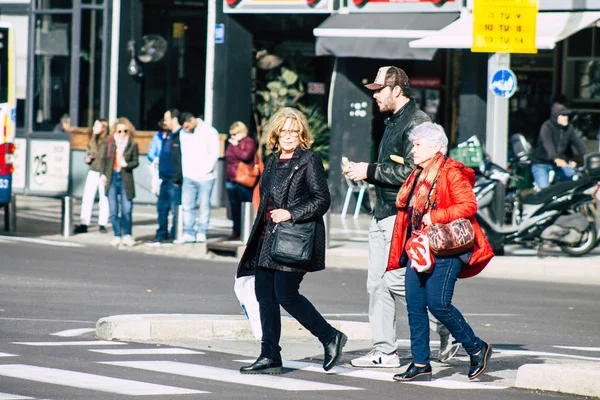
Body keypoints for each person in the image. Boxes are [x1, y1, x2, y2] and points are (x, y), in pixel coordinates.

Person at [345, 66, 459, 368]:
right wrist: (368, 172)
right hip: (383, 211)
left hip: (402, 215)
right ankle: (385, 350)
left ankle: (447, 325)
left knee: (395, 280)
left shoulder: (417, 121)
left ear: (397, 90)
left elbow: (413, 170)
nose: (375, 96)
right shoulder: (394, 120)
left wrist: (367, 171)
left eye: (379, 90)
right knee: (377, 284)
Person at [237, 107, 346, 374]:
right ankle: (270, 355)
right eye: (284, 131)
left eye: (293, 131)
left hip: (293, 239)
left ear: (301, 134)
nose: (288, 136)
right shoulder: (272, 161)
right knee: (265, 296)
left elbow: (322, 200)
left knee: (286, 294)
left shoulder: (309, 159)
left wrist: (291, 213)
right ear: (275, 133)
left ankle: (330, 336)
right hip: (267, 238)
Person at [388, 122, 494, 382]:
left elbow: (468, 205)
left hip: (447, 247)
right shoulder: (417, 174)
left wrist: (435, 216)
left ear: (435, 146)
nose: (413, 150)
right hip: (420, 246)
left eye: (417, 144)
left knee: (438, 303)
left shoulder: (450, 172)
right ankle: (421, 362)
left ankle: (476, 347)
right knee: (414, 305)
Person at [174, 112, 220, 244]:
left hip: (206, 177)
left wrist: (206, 170)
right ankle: (188, 232)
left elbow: (214, 153)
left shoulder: (210, 131)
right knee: (187, 206)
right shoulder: (183, 133)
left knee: (204, 205)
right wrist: (186, 172)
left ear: (192, 120)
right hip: (189, 175)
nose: (186, 129)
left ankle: (201, 232)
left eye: (187, 126)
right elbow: (184, 154)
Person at [99, 118, 139, 247]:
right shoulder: (109, 143)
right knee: (113, 209)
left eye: (125, 131)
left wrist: (126, 164)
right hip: (112, 177)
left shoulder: (132, 144)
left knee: (127, 208)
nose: (122, 134)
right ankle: (117, 235)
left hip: (125, 178)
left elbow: (136, 161)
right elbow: (102, 160)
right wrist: (102, 174)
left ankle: (127, 235)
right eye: (119, 131)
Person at [530, 103, 588, 189]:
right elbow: (548, 144)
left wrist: (587, 157)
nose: (566, 118)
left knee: (576, 177)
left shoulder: (569, 128)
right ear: (555, 116)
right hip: (541, 164)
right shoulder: (546, 127)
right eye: (563, 115)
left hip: (558, 164)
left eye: (567, 115)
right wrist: (555, 158)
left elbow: (577, 143)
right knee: (545, 191)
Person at [148, 109, 183, 245]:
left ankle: (174, 234)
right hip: (164, 177)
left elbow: (181, 158)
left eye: (166, 119)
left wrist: (177, 177)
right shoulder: (167, 135)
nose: (164, 122)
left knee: (175, 208)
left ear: (174, 120)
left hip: (174, 179)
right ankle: (161, 233)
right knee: (162, 208)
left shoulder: (181, 136)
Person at [75, 119, 110, 234]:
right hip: (93, 170)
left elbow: (103, 156)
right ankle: (84, 222)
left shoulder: (108, 141)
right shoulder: (93, 139)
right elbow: (91, 153)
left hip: (103, 171)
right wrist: (88, 159)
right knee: (87, 197)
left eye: (97, 126)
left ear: (103, 128)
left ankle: (102, 223)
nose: (94, 128)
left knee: (103, 198)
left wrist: (93, 156)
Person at [224, 121, 257, 241]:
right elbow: (227, 156)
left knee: (246, 205)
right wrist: (235, 147)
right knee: (234, 207)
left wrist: (236, 146)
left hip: (244, 179)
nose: (232, 137)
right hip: (231, 178)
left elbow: (245, 156)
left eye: (235, 134)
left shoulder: (248, 141)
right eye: (231, 134)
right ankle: (236, 230)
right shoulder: (232, 144)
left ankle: (247, 230)